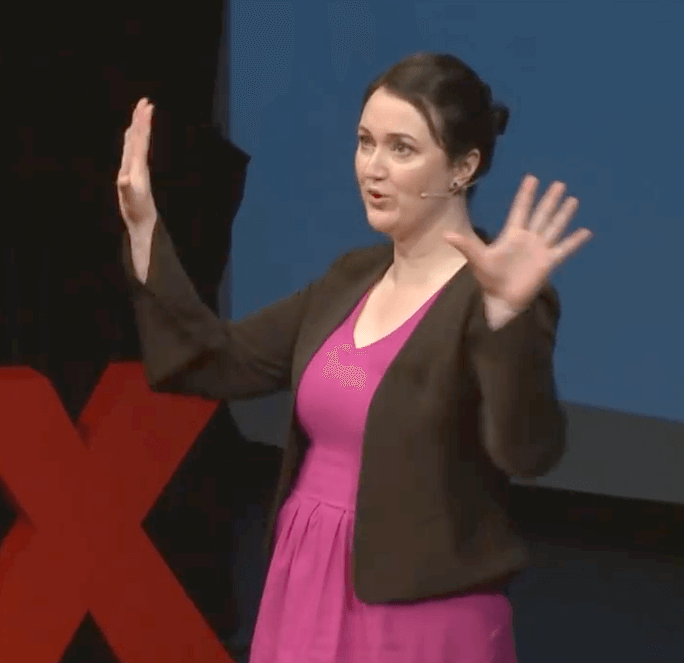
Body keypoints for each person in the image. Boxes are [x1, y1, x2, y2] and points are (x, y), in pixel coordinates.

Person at [116, 52, 592, 663]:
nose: (373, 167)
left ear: (463, 167)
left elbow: (526, 450)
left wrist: (505, 318)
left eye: (401, 149)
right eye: (365, 142)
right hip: (307, 577)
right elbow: (216, 359)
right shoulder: (351, 278)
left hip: (419, 608)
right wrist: (143, 227)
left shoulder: (494, 298)